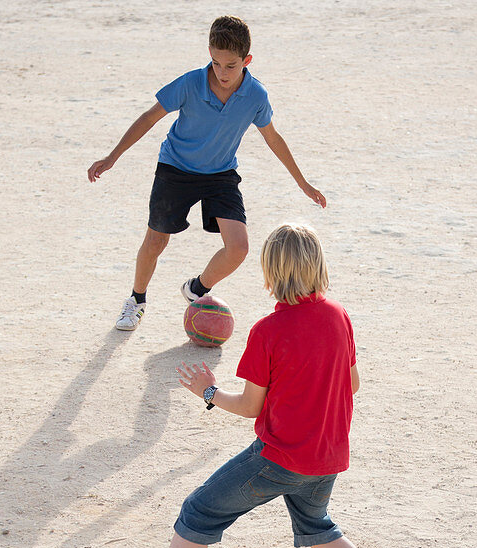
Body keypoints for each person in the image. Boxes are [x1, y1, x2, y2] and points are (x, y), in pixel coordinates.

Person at [104, 224, 407, 548]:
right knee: (320, 529)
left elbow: (249, 406)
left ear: (270, 273)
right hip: (327, 459)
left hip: (277, 459)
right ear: (318, 265)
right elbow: (352, 384)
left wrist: (207, 392)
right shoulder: (340, 316)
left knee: (196, 515)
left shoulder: (268, 330)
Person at [87, 16, 326, 332]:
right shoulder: (190, 83)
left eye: (231, 65)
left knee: (239, 248)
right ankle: (137, 300)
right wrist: (113, 156)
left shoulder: (256, 95)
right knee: (156, 240)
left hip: (220, 173)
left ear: (247, 61)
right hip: (175, 168)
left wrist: (303, 182)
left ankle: (196, 289)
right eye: (215, 63)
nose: (222, 73)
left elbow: (273, 137)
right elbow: (149, 118)